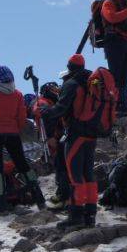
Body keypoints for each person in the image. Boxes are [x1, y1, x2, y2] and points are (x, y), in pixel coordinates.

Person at [0, 65, 46, 215]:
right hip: (12, 134)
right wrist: (14, 129)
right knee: (23, 165)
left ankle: (1, 204)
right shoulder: (17, 94)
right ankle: (39, 198)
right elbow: (21, 118)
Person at [41, 55, 96, 228]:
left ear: (69, 67)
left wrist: (46, 112)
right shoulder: (91, 82)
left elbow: (61, 109)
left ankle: (76, 215)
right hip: (92, 135)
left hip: (76, 135)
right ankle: (90, 215)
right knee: (88, 175)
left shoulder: (71, 84)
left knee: (75, 175)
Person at [33, 81, 69, 207]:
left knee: (62, 167)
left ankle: (63, 196)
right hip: (58, 137)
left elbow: (47, 117)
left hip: (57, 138)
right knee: (63, 167)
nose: (56, 91)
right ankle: (64, 195)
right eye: (53, 89)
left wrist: (50, 137)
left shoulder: (44, 103)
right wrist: (50, 136)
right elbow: (48, 118)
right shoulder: (45, 103)